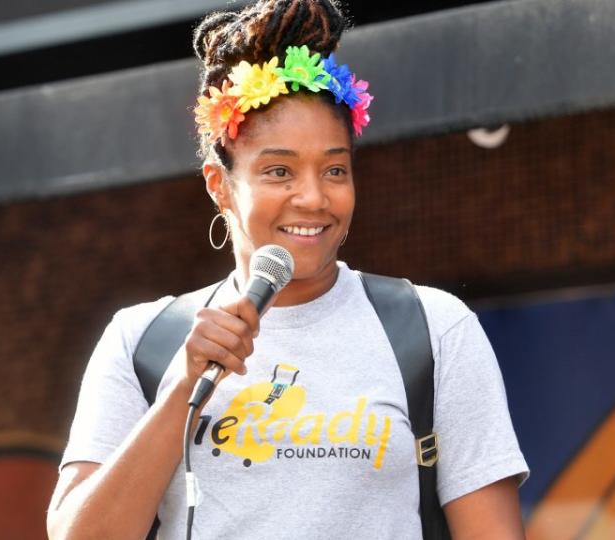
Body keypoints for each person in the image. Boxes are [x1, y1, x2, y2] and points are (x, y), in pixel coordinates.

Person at [46, 1, 529, 538]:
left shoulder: (434, 328)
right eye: (279, 171)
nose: (313, 197)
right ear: (218, 184)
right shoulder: (142, 341)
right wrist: (183, 385)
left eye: (335, 169)